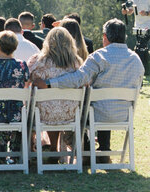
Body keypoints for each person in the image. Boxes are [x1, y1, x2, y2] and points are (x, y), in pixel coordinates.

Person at [34, 19, 144, 160]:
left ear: (105, 37)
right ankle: (104, 150)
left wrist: (49, 83)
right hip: (125, 114)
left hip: (96, 115)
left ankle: (84, 153)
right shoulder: (136, 59)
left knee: (84, 105)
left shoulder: (99, 56)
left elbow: (77, 79)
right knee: (104, 103)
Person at [26, 27, 83, 153]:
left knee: (34, 104)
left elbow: (26, 80)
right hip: (70, 114)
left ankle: (30, 149)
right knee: (57, 103)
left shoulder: (37, 61)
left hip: (42, 114)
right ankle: (53, 148)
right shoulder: (76, 63)